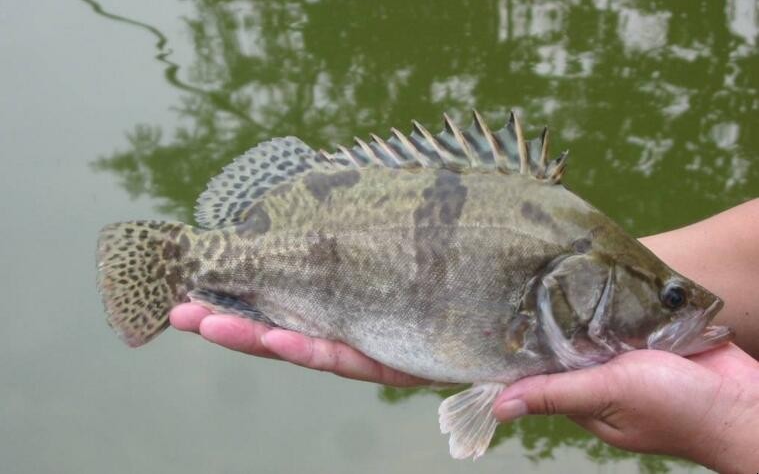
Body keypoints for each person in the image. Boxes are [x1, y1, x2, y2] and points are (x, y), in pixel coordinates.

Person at [170, 199, 759, 473]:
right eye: (674, 298)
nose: (692, 308)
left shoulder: (564, 268)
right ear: (571, 284)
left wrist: (731, 422)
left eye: (672, 297)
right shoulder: (556, 273)